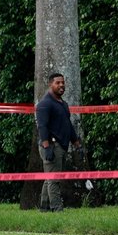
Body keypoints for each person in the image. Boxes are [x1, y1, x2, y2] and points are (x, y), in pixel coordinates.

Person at [36, 73, 82, 212]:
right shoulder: (45, 103)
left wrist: (76, 144)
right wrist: (46, 146)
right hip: (52, 145)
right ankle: (57, 209)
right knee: (54, 180)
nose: (61, 85)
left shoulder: (63, 104)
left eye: (63, 82)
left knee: (49, 178)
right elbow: (42, 126)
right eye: (58, 83)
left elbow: (67, 125)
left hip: (60, 145)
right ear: (51, 84)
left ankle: (44, 207)